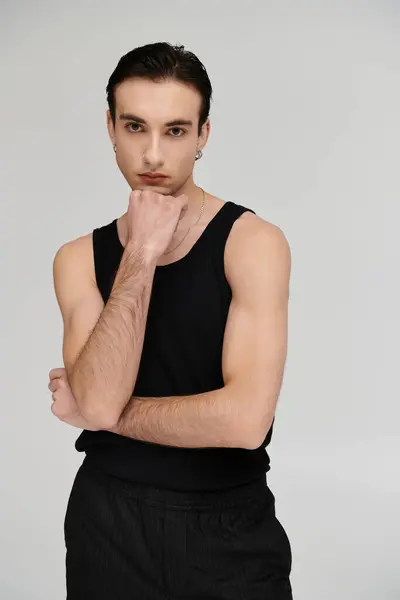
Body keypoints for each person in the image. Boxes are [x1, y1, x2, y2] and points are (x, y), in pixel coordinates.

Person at [48, 41, 293, 600]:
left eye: (176, 131)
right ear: (110, 126)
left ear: (204, 135)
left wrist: (100, 415)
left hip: (228, 527)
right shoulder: (78, 258)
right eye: (135, 126)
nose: (152, 155)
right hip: (107, 524)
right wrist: (140, 254)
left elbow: (243, 422)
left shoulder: (252, 244)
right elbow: (99, 399)